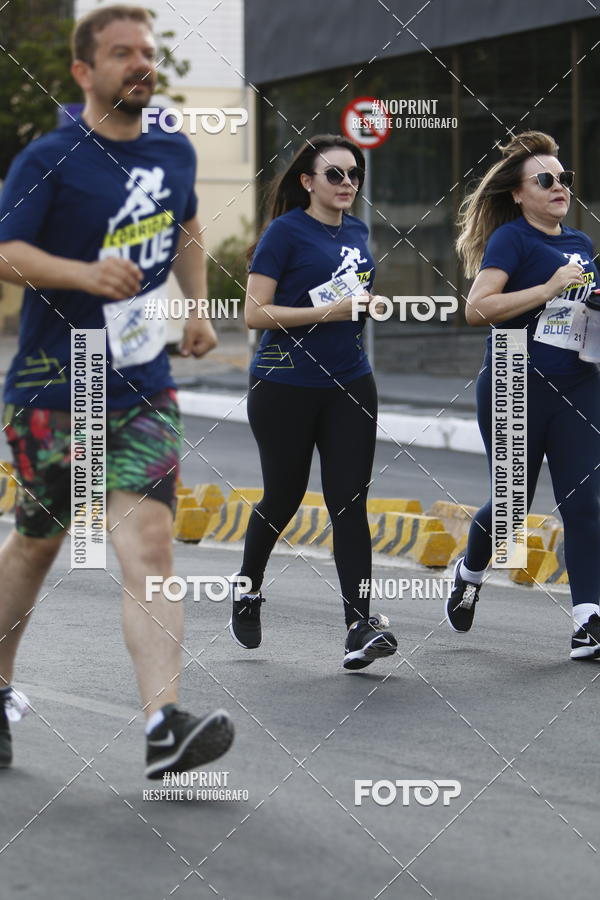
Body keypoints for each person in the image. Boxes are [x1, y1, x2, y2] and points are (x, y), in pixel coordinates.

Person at [0, 4, 234, 776]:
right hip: (52, 389)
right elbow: (5, 252)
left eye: (146, 52)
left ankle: (164, 726)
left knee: (151, 545)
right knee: (38, 544)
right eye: (121, 53)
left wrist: (196, 307)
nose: (140, 63)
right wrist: (81, 274)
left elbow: (189, 224)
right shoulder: (50, 158)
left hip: (141, 385)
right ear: (83, 71)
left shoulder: (172, 150)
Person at [227, 134, 397, 670]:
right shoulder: (285, 233)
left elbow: (350, 301)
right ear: (308, 181)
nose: (348, 184)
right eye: (335, 175)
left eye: (354, 174)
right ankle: (248, 587)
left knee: (349, 502)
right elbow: (255, 314)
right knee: (284, 497)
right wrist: (333, 311)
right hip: (285, 385)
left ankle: (358, 626)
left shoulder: (359, 230)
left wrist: (368, 304)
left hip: (350, 381)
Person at [448, 129, 600, 660]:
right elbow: (477, 309)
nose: (559, 186)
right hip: (516, 375)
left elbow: (576, 317)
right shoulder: (512, 240)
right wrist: (549, 288)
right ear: (518, 193)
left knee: (585, 501)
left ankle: (587, 620)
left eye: (564, 178)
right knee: (512, 506)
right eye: (545, 179)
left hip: (579, 383)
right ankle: (469, 572)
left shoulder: (581, 243)